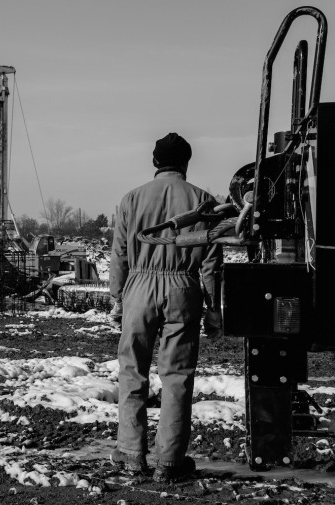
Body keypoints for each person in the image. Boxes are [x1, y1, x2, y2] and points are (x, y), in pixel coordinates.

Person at [108, 132, 223, 482]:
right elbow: (211, 259)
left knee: (133, 371)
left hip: (139, 288)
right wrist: (212, 307)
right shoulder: (203, 201)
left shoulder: (132, 199)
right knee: (176, 377)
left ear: (156, 162)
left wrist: (117, 298)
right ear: (186, 162)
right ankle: (170, 461)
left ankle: (130, 454)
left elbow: (120, 255)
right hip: (183, 287)